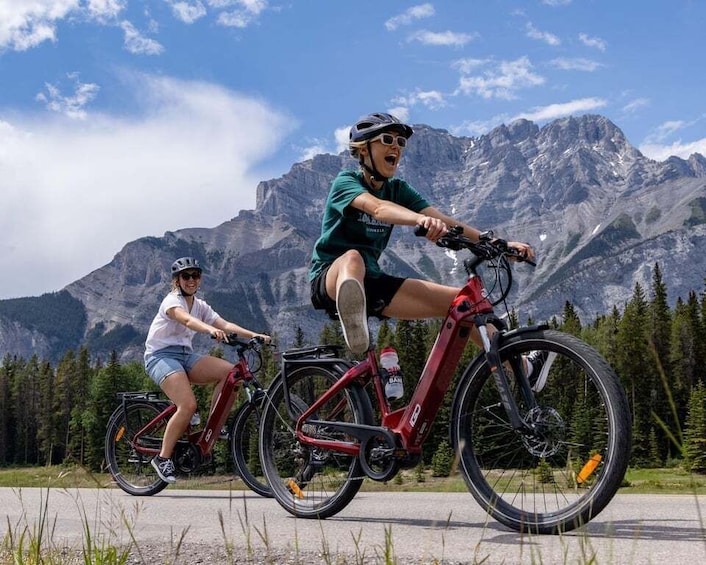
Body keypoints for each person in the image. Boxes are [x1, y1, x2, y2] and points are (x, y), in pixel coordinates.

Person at [309, 112, 546, 386]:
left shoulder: (398, 189)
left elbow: (446, 221)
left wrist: (498, 245)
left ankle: (525, 370)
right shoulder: (346, 182)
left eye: (400, 142)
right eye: (387, 139)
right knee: (353, 258)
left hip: (372, 283)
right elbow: (378, 208)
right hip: (331, 278)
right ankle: (352, 316)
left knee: (463, 305)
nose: (395, 147)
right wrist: (420, 219)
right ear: (363, 150)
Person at [144, 256, 270, 484]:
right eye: (186, 276)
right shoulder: (171, 302)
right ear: (177, 280)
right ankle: (162, 459)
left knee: (232, 373)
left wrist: (254, 335)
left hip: (185, 355)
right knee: (188, 405)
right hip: (159, 356)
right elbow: (187, 321)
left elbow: (225, 324)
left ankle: (214, 426)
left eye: (195, 275)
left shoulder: (200, 305)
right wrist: (210, 331)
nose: (191, 280)